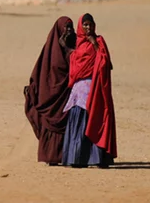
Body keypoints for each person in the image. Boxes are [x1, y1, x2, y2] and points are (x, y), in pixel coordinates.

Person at [62, 13, 117, 168]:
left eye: (90, 24)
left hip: (95, 89)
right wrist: (65, 47)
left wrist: (95, 45)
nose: (88, 27)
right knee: (79, 122)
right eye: (85, 25)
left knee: (95, 119)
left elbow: (108, 64)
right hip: (79, 91)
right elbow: (74, 62)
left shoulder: (99, 41)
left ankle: (98, 159)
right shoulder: (78, 43)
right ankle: (77, 159)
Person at [24, 16, 76, 165]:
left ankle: (66, 155)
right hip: (51, 95)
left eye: (70, 27)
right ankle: (51, 156)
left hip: (67, 93)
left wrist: (67, 48)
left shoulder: (75, 46)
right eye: (66, 27)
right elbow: (40, 70)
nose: (68, 30)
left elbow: (79, 63)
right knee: (51, 121)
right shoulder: (50, 48)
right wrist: (33, 88)